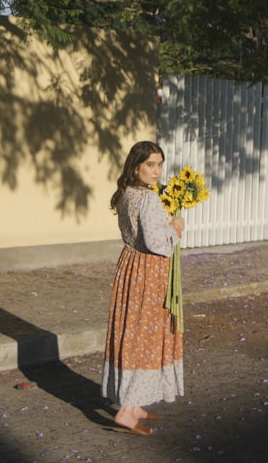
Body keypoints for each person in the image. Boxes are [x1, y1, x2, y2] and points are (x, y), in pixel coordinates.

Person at [101, 140, 186, 436]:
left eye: (159, 164)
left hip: (130, 267)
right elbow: (157, 244)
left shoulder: (127, 193)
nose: (157, 170)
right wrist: (176, 227)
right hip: (148, 272)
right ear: (135, 166)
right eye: (150, 164)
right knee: (145, 335)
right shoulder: (148, 199)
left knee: (132, 331)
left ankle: (133, 402)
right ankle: (126, 412)